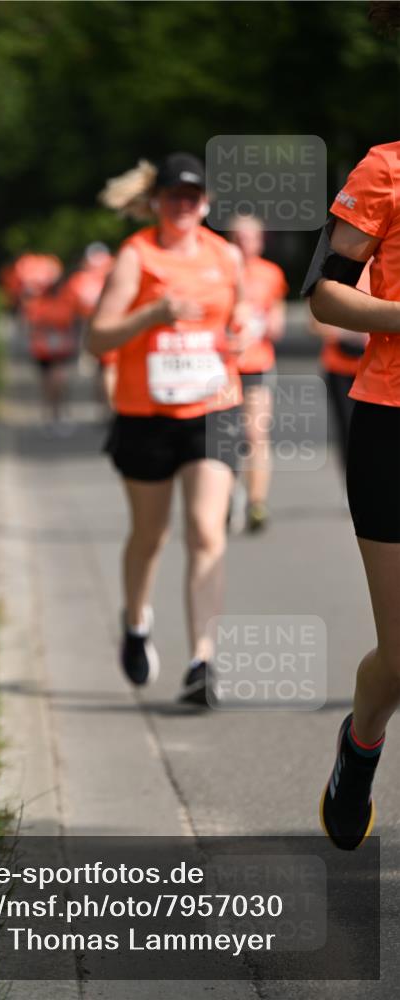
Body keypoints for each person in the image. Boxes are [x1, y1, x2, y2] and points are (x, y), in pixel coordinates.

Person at [86, 152, 248, 703]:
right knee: (150, 535)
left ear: (206, 203)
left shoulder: (225, 256)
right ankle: (136, 622)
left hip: (214, 405)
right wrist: (151, 316)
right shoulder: (136, 256)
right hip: (145, 413)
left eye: (194, 197)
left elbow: (241, 319)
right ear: (156, 202)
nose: (184, 206)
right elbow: (98, 339)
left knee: (206, 529)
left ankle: (203, 660)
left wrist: (244, 335)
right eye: (175, 197)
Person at [302, 138, 400, 849]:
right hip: (390, 422)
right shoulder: (385, 167)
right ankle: (360, 746)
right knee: (399, 657)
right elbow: (327, 294)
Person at [228, 215, 288, 532]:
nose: (244, 243)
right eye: (238, 237)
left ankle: (256, 503)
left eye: (250, 238)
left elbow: (276, 320)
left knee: (255, 435)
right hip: (222, 368)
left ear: (260, 241)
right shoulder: (219, 269)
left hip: (257, 364)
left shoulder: (270, 273)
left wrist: (266, 323)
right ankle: (225, 499)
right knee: (224, 437)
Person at [308, 266, 370, 477]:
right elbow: (315, 323)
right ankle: (351, 480)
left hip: (373, 367)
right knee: (347, 428)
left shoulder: (387, 269)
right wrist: (346, 333)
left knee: (375, 430)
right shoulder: (338, 270)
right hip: (339, 367)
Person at [22, 277, 80, 434]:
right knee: (49, 384)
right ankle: (51, 415)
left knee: (59, 382)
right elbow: (31, 324)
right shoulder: (39, 304)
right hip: (45, 350)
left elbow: (72, 323)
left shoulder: (65, 303)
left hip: (60, 349)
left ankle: (58, 413)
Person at [64, 243, 118, 409]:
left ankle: (107, 405)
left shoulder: (82, 278)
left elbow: (70, 304)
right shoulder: (113, 274)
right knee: (107, 368)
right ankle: (108, 406)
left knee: (106, 368)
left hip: (94, 324)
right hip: (101, 324)